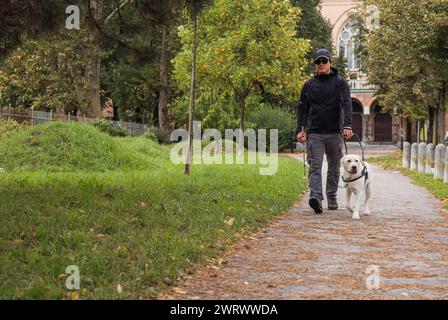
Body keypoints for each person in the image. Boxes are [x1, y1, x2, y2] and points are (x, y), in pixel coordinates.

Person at [297, 48, 353, 214]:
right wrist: (301, 130)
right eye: (318, 62)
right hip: (314, 132)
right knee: (315, 166)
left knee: (334, 166)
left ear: (330, 63)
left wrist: (347, 125)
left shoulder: (340, 83)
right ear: (315, 64)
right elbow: (302, 109)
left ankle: (331, 195)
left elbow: (347, 104)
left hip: (335, 132)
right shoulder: (308, 85)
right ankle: (316, 197)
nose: (321, 64)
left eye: (324, 61)